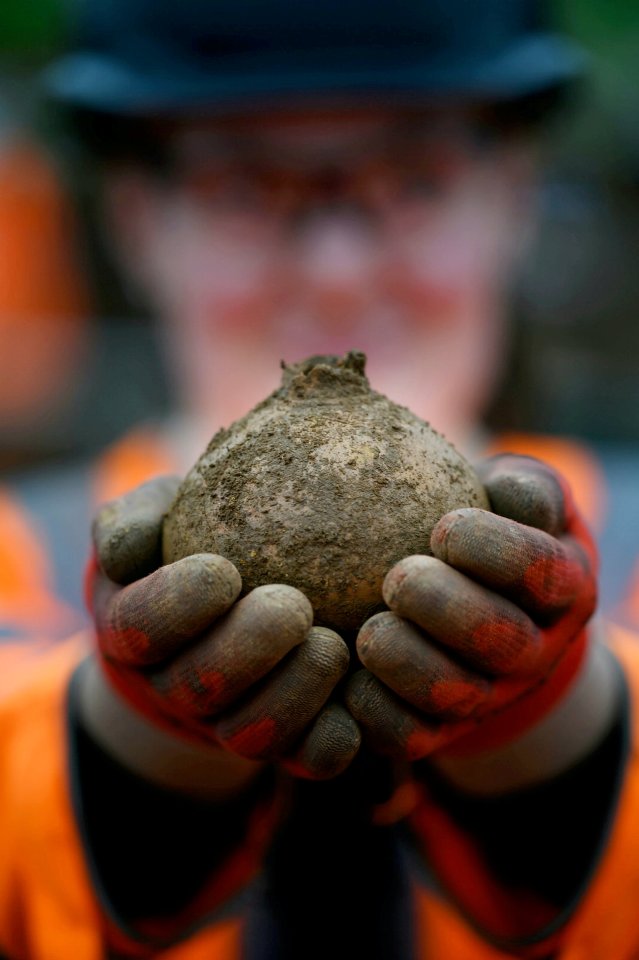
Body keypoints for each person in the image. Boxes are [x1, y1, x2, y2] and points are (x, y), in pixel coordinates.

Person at [1, 1, 638, 957]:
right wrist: (126, 746)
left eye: (416, 182)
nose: (336, 273)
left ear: (513, 196)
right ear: (138, 219)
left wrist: (559, 738)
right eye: (244, 192)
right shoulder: (13, 551)